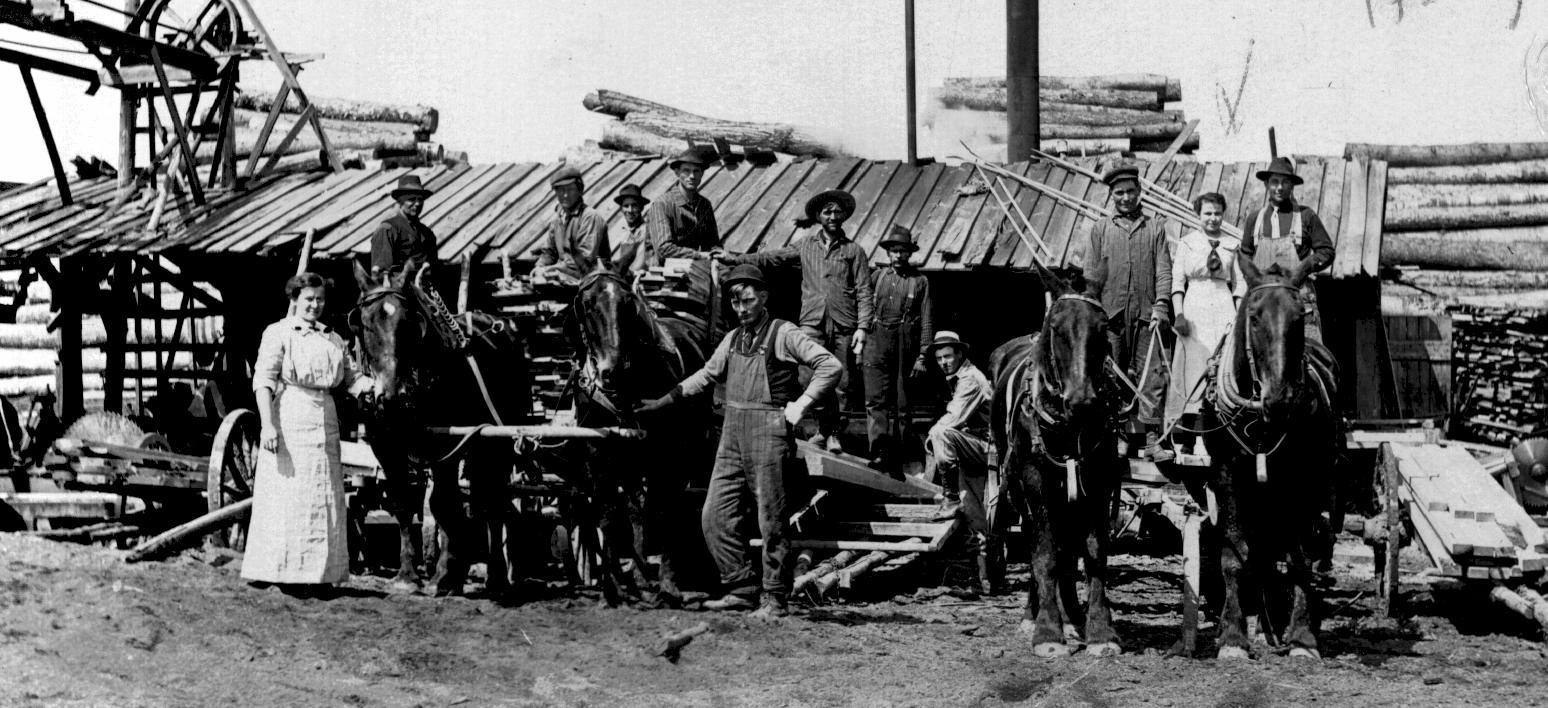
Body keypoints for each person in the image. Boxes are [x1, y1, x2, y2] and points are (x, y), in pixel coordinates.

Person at [637, 264, 841, 619]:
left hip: (768, 430)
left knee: (770, 520)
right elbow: (705, 376)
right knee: (714, 516)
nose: (742, 308)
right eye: (735, 303)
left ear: (763, 298)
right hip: (731, 433)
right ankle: (741, 588)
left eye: (748, 300)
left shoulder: (783, 332)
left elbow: (830, 366)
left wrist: (802, 405)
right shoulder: (733, 339)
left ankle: (774, 597)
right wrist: (663, 400)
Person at [242, 273, 373, 597]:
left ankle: (320, 574)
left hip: (325, 421)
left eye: (320, 300)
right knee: (290, 496)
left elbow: (351, 378)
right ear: (295, 299)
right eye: (309, 299)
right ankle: (283, 571)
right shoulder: (279, 333)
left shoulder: (332, 339)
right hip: (292, 417)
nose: (315, 305)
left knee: (324, 497)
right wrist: (267, 424)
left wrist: (372, 387)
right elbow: (263, 381)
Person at [717, 189, 873, 455]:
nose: (833, 216)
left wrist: (862, 327)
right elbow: (771, 257)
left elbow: (864, 290)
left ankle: (832, 434)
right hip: (812, 320)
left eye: (838, 212)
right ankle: (823, 426)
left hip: (844, 322)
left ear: (844, 216)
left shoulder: (854, 251)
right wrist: (735, 258)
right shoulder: (805, 245)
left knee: (842, 382)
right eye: (827, 212)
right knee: (807, 375)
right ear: (818, 217)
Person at [1079, 164, 1173, 462]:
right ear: (1111, 196)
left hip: (1148, 316)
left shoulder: (1155, 227)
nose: (1126, 197)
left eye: (1131, 191)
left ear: (1139, 192)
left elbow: (1164, 271)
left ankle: (1151, 439)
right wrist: (1093, 312)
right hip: (1111, 317)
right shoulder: (1100, 229)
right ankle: (1118, 435)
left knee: (1153, 375)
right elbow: (1091, 276)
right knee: (1111, 375)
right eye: (1119, 192)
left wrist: (1161, 305)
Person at [1166, 192, 1243, 453]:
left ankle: (1223, 433)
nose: (1213, 218)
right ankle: (1188, 439)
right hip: (1195, 306)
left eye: (1217, 213)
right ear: (1198, 215)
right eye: (1207, 213)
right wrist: (1179, 315)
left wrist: (1238, 315)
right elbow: (1177, 282)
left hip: (1223, 307)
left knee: (1224, 365)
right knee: (1193, 369)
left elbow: (1240, 285)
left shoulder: (1233, 244)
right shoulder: (1187, 243)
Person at [1237, 156, 1336, 343]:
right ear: (1266, 184)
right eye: (1274, 182)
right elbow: (1245, 256)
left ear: (1292, 186)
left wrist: (1305, 266)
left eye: (1285, 182)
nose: (1279, 187)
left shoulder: (1306, 217)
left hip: (1297, 299)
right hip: (1263, 304)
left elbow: (1327, 251)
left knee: (1312, 359)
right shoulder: (1254, 219)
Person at [863, 224, 935, 473]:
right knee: (875, 400)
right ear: (888, 254)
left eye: (903, 251)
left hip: (905, 344)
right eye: (894, 251)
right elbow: (863, 307)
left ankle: (901, 458)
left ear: (909, 254)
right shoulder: (876, 277)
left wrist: (923, 354)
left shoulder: (920, 281)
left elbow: (926, 319)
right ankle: (880, 453)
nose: (898, 256)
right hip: (876, 341)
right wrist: (861, 338)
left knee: (903, 403)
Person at [924, 332, 994, 533]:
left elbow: (953, 418)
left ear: (960, 354)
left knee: (940, 433)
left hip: (988, 444)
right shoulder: (957, 377)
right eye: (939, 358)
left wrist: (931, 435)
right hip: (974, 440)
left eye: (948, 356)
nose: (943, 362)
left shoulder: (970, 378)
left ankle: (951, 498)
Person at [532, 165, 611, 286]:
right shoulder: (557, 221)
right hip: (566, 280)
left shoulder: (590, 217)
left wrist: (550, 269)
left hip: (593, 285)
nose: (565, 195)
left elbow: (584, 260)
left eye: (570, 190)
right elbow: (549, 252)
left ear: (580, 190)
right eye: (560, 190)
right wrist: (539, 267)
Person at [647, 148, 721, 262]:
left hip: (695, 268)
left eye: (696, 171)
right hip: (664, 273)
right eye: (686, 170)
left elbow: (712, 244)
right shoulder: (662, 204)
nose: (692, 176)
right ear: (677, 173)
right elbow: (664, 250)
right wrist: (699, 255)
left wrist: (717, 255)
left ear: (702, 173)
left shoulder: (704, 205)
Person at [369, 174, 438, 281]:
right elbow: (380, 273)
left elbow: (433, 266)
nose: (417, 204)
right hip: (396, 290)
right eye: (411, 199)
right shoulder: (388, 229)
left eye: (420, 199)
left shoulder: (427, 233)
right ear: (400, 201)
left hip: (423, 288)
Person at [609, 183, 652, 276]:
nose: (630, 210)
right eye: (626, 206)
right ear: (621, 209)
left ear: (641, 207)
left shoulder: (646, 232)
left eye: (634, 205)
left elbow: (638, 267)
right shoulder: (622, 233)